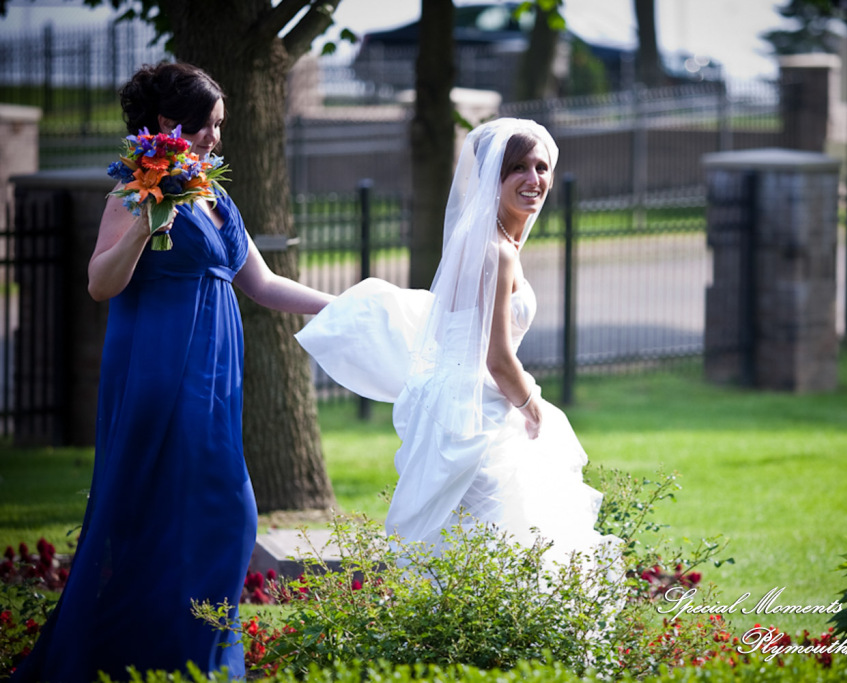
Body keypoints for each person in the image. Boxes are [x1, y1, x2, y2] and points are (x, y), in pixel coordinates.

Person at [13, 62, 335, 681]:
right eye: (207, 125)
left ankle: (187, 659)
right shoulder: (133, 192)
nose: (216, 137)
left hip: (218, 375)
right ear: (166, 123)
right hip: (160, 368)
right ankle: (161, 659)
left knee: (218, 514)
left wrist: (353, 303)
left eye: (220, 124)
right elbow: (99, 284)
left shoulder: (218, 196)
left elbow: (263, 285)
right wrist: (146, 220)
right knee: (210, 510)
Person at [297, 118, 618, 572]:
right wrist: (533, 407)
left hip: (460, 400)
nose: (534, 180)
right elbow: (498, 358)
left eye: (542, 167)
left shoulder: (490, 241)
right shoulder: (496, 250)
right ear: (494, 177)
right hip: (477, 410)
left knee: (482, 542)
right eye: (518, 168)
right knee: (497, 540)